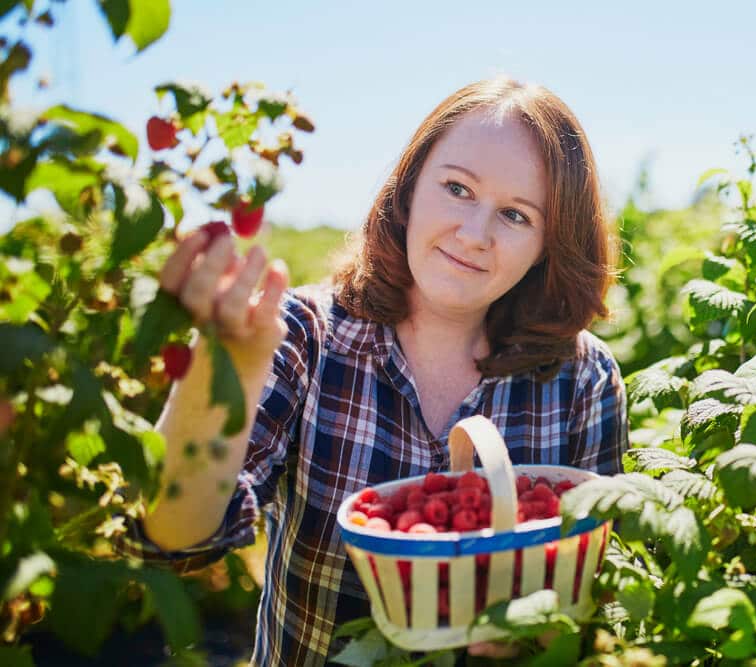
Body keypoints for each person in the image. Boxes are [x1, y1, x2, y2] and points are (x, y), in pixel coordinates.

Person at [120, 76, 628, 667]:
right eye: (458, 188)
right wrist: (221, 370)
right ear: (410, 190)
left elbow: (593, 592)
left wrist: (540, 628)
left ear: (549, 244)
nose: (474, 234)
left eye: (516, 215)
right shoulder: (306, 335)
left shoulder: (581, 380)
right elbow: (175, 540)